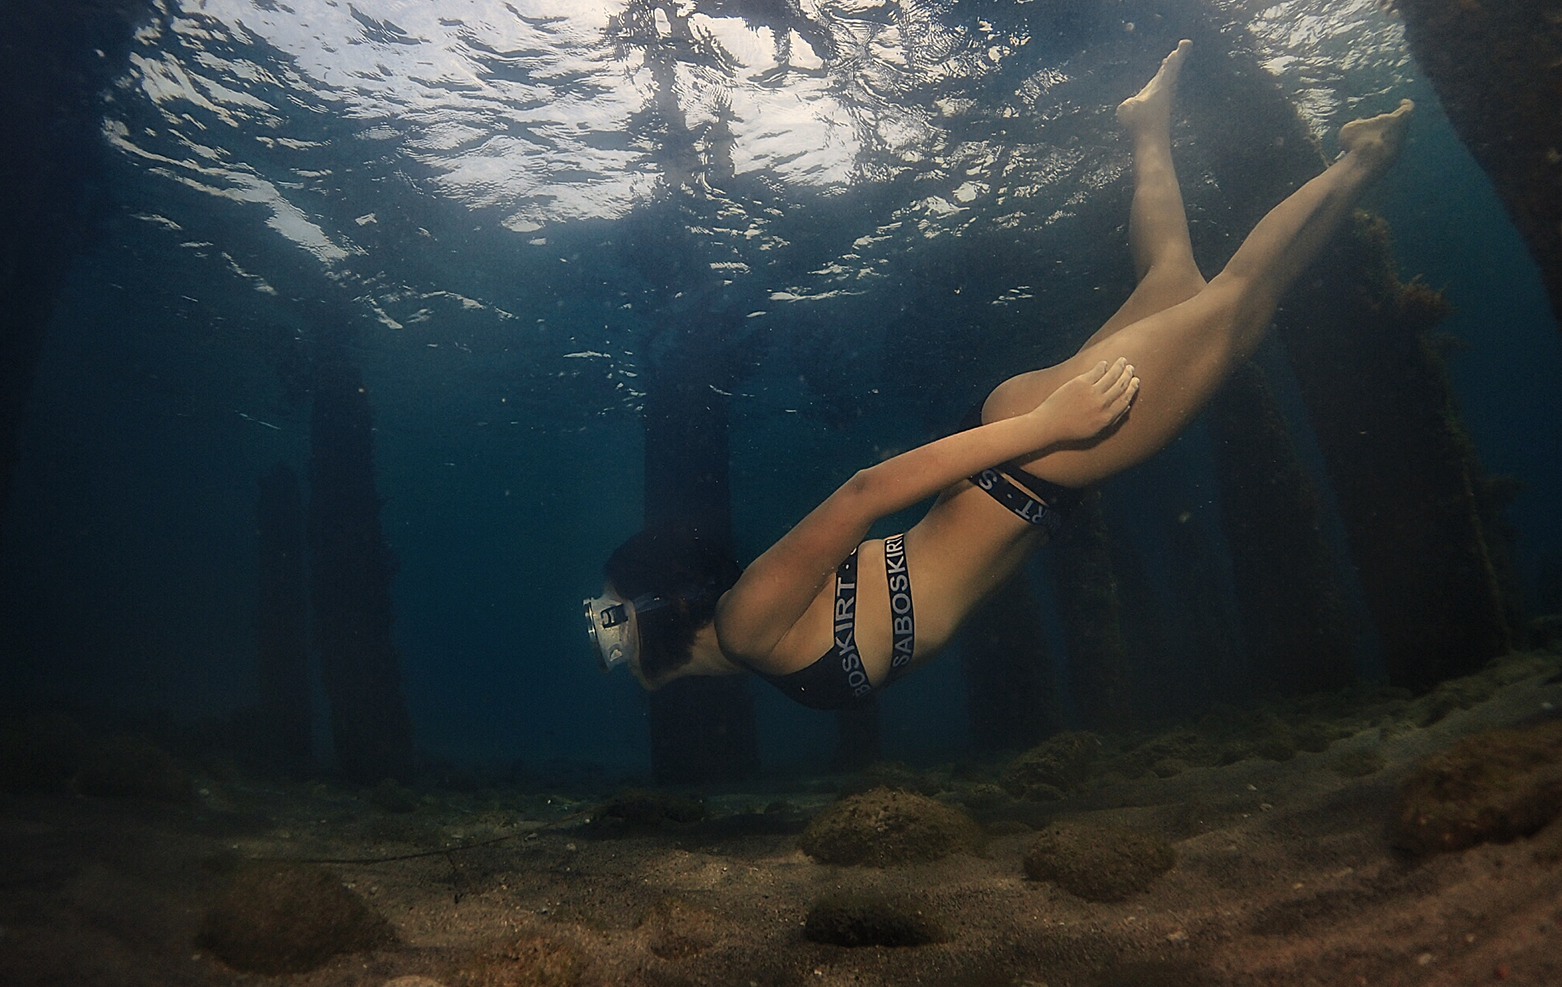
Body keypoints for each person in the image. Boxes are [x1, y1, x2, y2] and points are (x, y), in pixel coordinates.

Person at [584, 41, 1413, 710]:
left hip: (1039, 459)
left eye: (613, 615)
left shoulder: (747, 620)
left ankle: (1357, 162)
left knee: (1233, 309)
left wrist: (1050, 426)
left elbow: (869, 491)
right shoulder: (757, 653)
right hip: (1030, 462)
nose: (606, 636)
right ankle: (1146, 125)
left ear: (667, 605)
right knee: (1176, 282)